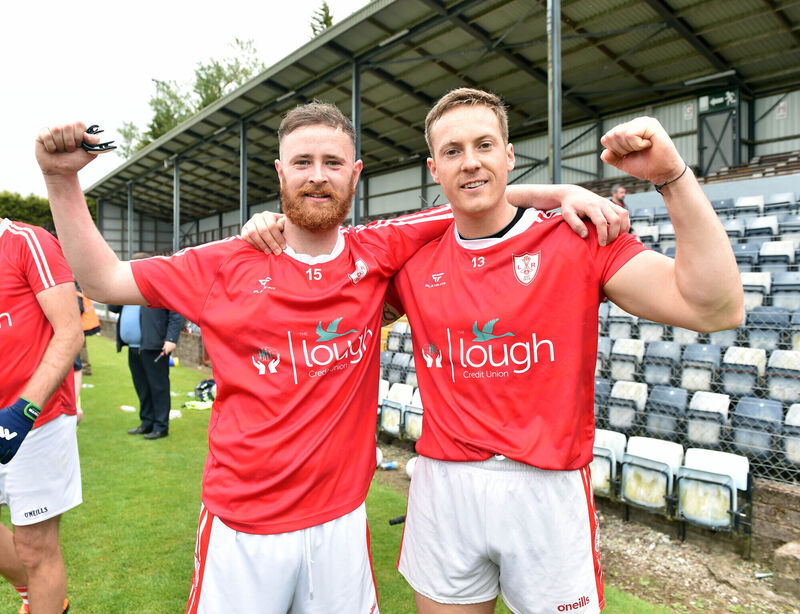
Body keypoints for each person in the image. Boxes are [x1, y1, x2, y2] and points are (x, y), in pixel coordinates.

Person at [35, 105, 625, 614]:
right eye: (302, 162)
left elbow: (473, 197)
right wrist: (61, 181)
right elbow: (103, 278)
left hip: (341, 522)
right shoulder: (227, 262)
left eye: (333, 163)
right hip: (243, 525)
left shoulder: (378, 250)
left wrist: (562, 192)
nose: (318, 177)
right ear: (280, 173)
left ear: (355, 176)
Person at [378, 89, 742, 614]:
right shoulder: (413, 258)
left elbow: (716, 307)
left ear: (509, 155)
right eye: (453, 151)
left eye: (485, 144)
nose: (471, 161)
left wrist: (671, 176)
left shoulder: (576, 237)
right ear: (434, 168)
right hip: (444, 486)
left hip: (546, 489)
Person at [0, 219, 83, 614]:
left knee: (35, 548)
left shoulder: (27, 242)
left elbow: (70, 332)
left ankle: (46, 600)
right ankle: (33, 594)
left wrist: (22, 412)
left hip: (37, 420)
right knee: (25, 560)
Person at [108, 255, 183, 440]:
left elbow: (177, 312)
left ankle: (160, 426)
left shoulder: (160, 285)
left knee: (158, 387)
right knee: (142, 387)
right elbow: (112, 307)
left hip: (154, 346)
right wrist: (117, 287)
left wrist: (171, 338)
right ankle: (147, 422)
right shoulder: (129, 288)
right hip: (134, 347)